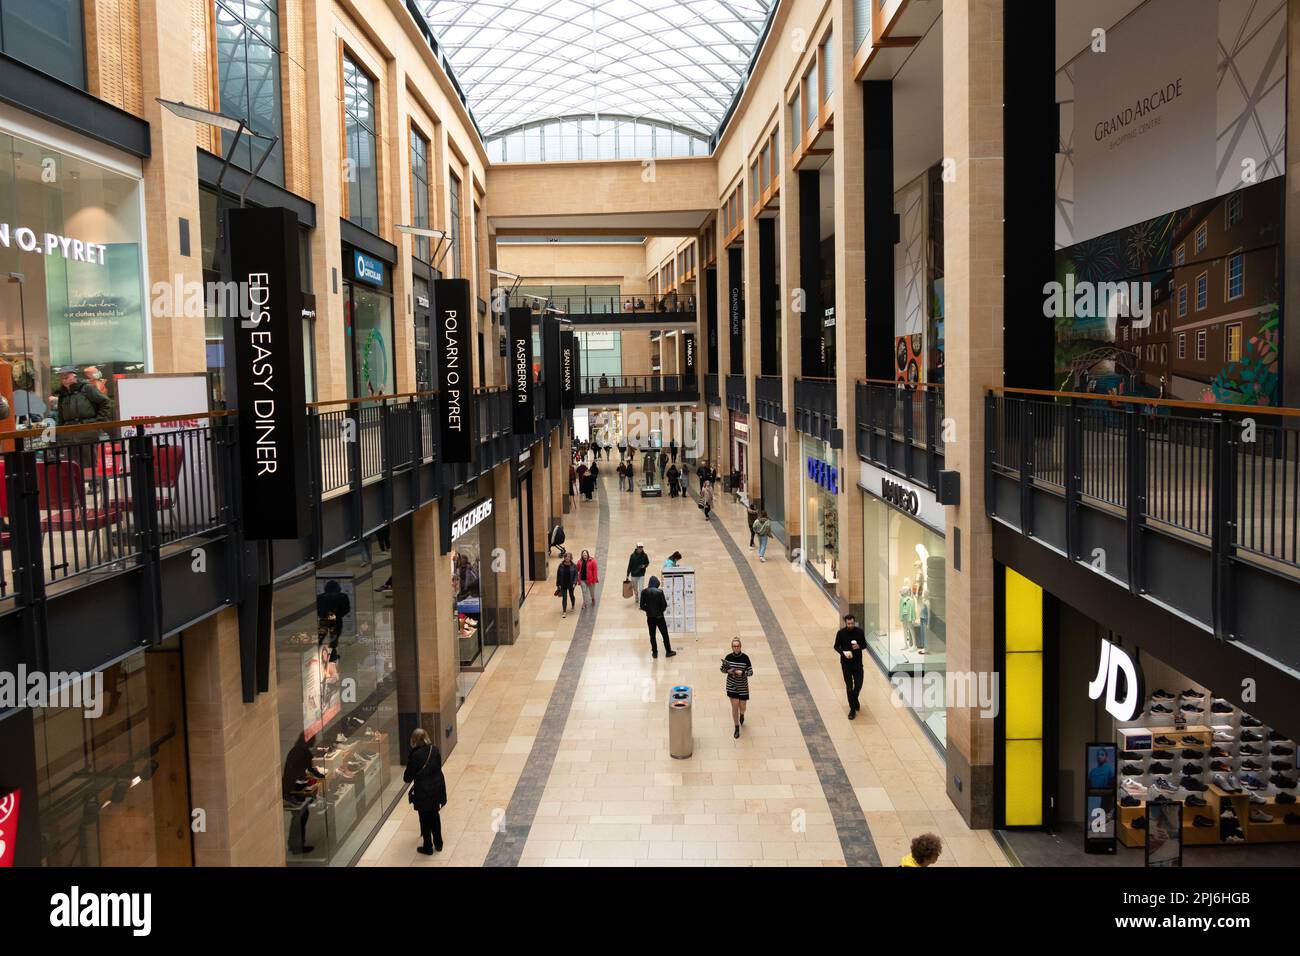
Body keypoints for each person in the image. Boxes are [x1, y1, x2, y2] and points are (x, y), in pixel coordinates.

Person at [51, 365, 112, 460]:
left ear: (74, 376)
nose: (63, 379)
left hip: (87, 433)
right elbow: (61, 415)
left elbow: (105, 402)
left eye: (66, 376)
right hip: (69, 436)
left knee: (89, 463)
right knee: (72, 465)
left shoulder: (87, 388)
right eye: (61, 376)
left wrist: (97, 421)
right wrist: (61, 431)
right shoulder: (62, 394)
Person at [404, 728, 447, 855]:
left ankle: (428, 846)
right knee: (435, 815)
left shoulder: (415, 755)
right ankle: (439, 843)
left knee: (424, 818)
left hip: (423, 791)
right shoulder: (435, 750)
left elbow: (407, 777)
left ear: (414, 740)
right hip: (437, 787)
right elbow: (438, 767)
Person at [834, 614, 867, 719]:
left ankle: (855, 698)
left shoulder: (859, 632)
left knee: (858, 685)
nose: (850, 625)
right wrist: (843, 653)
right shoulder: (841, 633)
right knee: (849, 687)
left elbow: (864, 645)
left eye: (852, 623)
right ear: (845, 623)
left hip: (857, 663)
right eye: (848, 623)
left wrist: (859, 646)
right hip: (846, 664)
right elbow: (836, 646)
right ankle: (852, 709)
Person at [721, 638, 754, 739]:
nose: (736, 648)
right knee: (735, 706)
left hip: (743, 686)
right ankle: (736, 727)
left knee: (742, 707)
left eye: (737, 646)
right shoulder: (728, 657)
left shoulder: (745, 658)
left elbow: (751, 672)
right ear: (732, 647)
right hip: (732, 685)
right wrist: (728, 671)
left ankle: (742, 714)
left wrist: (742, 673)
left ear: (740, 646)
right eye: (734, 646)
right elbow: (722, 669)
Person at [639, 575, 675, 659]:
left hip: (650, 618)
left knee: (652, 635)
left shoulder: (644, 592)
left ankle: (654, 652)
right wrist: (659, 611)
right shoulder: (659, 592)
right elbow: (664, 605)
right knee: (664, 634)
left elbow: (641, 606)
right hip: (660, 617)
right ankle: (668, 651)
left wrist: (648, 610)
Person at [316, 580, 351, 662]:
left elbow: (317, 609)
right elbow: (346, 609)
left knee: (321, 636)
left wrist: (323, 615)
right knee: (334, 637)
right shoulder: (342, 596)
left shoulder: (320, 597)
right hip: (336, 620)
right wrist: (337, 615)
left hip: (324, 619)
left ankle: (318, 653)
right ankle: (332, 655)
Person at [555, 551, 579, 618]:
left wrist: (574, 583)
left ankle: (573, 605)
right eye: (566, 557)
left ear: (571, 558)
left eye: (569, 557)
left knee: (571, 595)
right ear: (564, 557)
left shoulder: (574, 566)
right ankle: (564, 611)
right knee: (564, 598)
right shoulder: (561, 565)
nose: (567, 558)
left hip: (571, 584)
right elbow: (558, 575)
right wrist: (558, 584)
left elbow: (576, 575)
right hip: (563, 584)